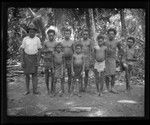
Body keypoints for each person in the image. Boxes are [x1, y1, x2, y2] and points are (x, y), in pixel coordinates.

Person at [20, 27, 42, 95]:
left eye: (33, 32)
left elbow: (39, 50)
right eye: (30, 31)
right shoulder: (25, 39)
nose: (32, 33)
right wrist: (22, 60)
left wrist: (38, 60)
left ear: (35, 32)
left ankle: (35, 90)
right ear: (28, 32)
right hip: (26, 58)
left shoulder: (37, 39)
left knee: (34, 75)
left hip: (34, 58)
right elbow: (22, 50)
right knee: (27, 75)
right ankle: (27, 90)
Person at [105, 28, 122, 94]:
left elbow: (120, 50)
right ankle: (107, 88)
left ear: (115, 35)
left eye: (112, 34)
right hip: (106, 59)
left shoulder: (117, 42)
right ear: (108, 34)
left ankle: (112, 88)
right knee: (106, 75)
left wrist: (119, 58)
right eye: (110, 34)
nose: (111, 35)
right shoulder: (105, 42)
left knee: (113, 74)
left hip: (113, 59)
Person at [41, 29, 57, 95]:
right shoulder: (45, 42)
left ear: (54, 36)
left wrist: (54, 52)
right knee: (46, 75)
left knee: (53, 75)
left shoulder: (56, 43)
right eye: (49, 35)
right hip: (46, 61)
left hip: (53, 61)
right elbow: (42, 51)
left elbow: (58, 51)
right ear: (48, 35)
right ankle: (47, 89)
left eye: (52, 35)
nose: (51, 37)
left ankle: (52, 89)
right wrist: (48, 50)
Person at [61, 28, 74, 94]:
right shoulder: (61, 42)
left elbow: (74, 51)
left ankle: (69, 88)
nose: (67, 35)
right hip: (63, 60)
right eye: (66, 33)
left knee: (70, 75)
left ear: (70, 34)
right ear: (64, 34)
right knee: (62, 74)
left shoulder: (72, 42)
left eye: (68, 33)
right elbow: (59, 51)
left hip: (70, 60)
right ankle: (62, 89)